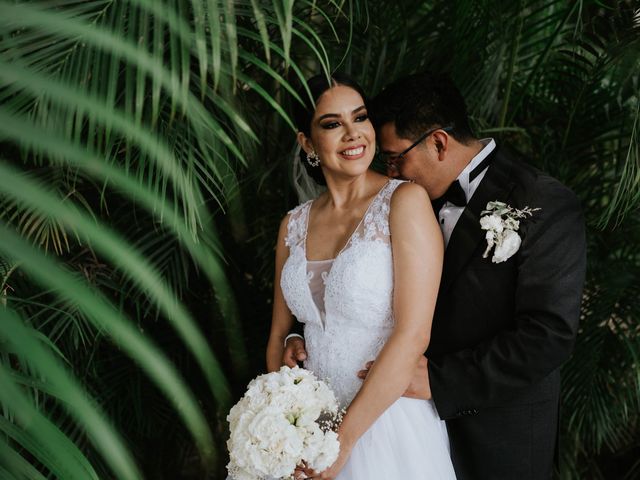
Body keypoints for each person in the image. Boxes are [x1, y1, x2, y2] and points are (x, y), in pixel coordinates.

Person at [284, 71, 587, 479]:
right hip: (393, 417)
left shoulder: (540, 202)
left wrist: (441, 382)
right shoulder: (389, 203)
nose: (389, 172)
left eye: (395, 158)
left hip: (493, 432)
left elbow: (548, 335)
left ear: (439, 142)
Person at [267, 73, 457, 480]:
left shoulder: (404, 201)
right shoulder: (292, 225)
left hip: (386, 425)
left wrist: (343, 443)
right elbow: (279, 333)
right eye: (333, 124)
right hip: (310, 425)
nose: (353, 134)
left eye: (361, 118)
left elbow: (413, 334)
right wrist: (287, 428)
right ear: (307, 143)